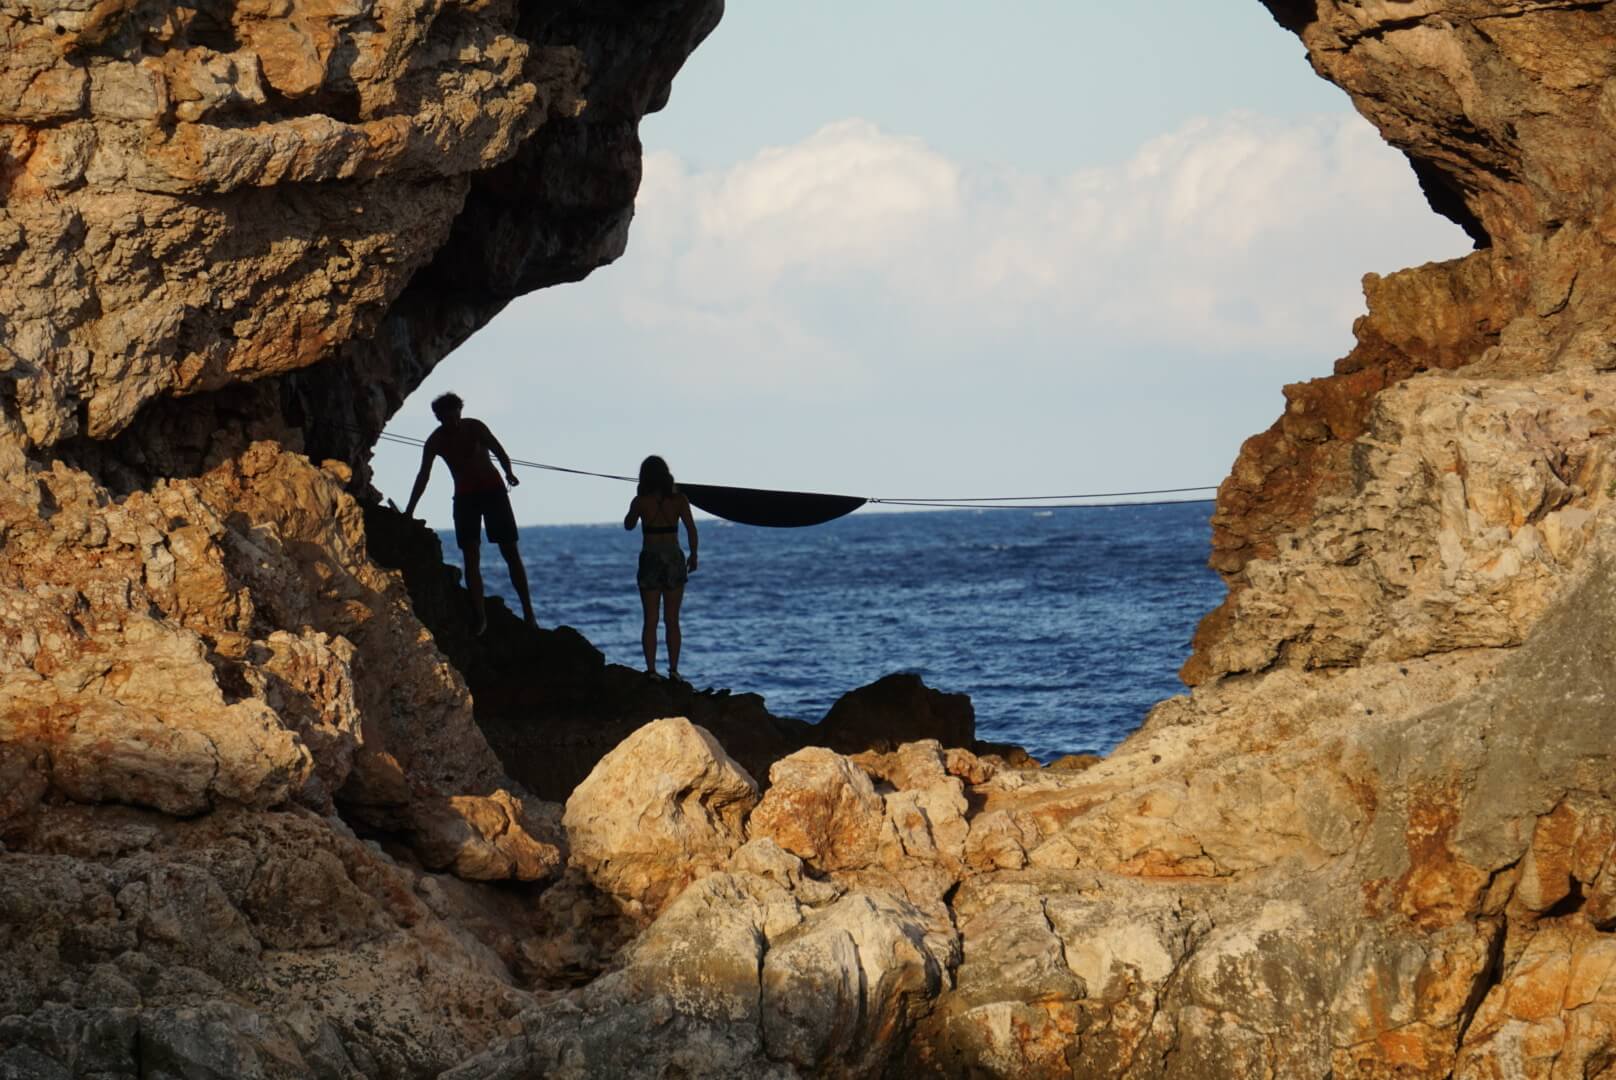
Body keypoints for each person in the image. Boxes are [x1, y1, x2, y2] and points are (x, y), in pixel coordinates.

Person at [404, 392, 535, 633]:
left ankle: (529, 612)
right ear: (438, 418)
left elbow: (498, 450)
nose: (453, 423)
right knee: (470, 555)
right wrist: (409, 510)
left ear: (460, 413)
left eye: (456, 417)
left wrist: (509, 473)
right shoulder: (435, 441)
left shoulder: (475, 427)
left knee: (510, 551)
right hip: (465, 498)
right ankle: (480, 617)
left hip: (494, 492)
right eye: (447, 419)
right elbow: (424, 475)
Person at [623, 455, 698, 681]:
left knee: (651, 619)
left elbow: (628, 525)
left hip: (650, 559)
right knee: (672, 619)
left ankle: (652, 671)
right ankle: (674, 670)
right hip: (674, 558)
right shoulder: (680, 500)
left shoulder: (641, 502)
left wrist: (637, 501)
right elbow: (691, 529)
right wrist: (694, 555)